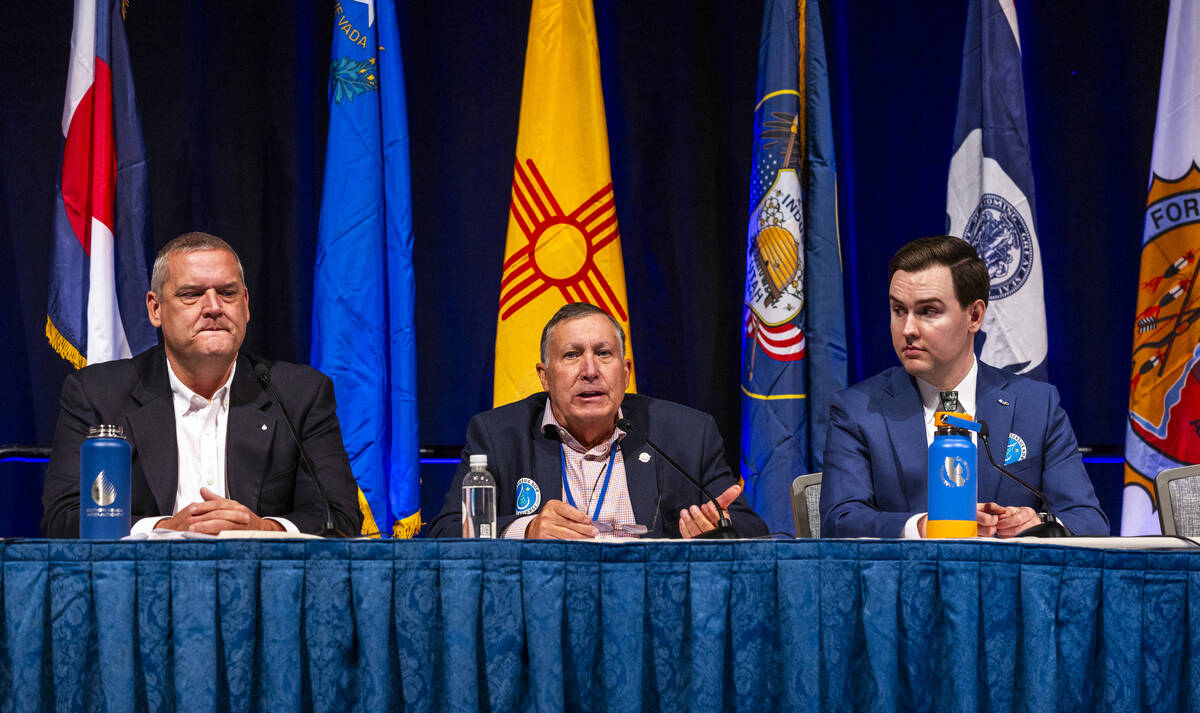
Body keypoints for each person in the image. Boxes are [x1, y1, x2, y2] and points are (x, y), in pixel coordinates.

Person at [41, 232, 362, 537]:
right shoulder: (98, 394)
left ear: (246, 304)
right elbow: (63, 518)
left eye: (228, 293)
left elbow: (340, 516)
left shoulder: (299, 394)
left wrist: (264, 530)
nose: (213, 307)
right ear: (155, 308)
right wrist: (162, 528)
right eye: (191, 295)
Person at [820, 236, 1109, 538]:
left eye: (927, 311)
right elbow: (840, 520)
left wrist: (1042, 524)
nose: (907, 329)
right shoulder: (857, 410)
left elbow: (1088, 520)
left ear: (974, 316)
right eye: (898, 310)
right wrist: (924, 526)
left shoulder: (1037, 406)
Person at [428, 303, 768, 539]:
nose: (590, 371)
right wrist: (526, 530)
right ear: (545, 377)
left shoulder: (687, 434)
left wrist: (717, 530)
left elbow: (752, 529)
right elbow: (447, 530)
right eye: (572, 355)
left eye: (603, 354)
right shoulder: (498, 434)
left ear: (625, 372)